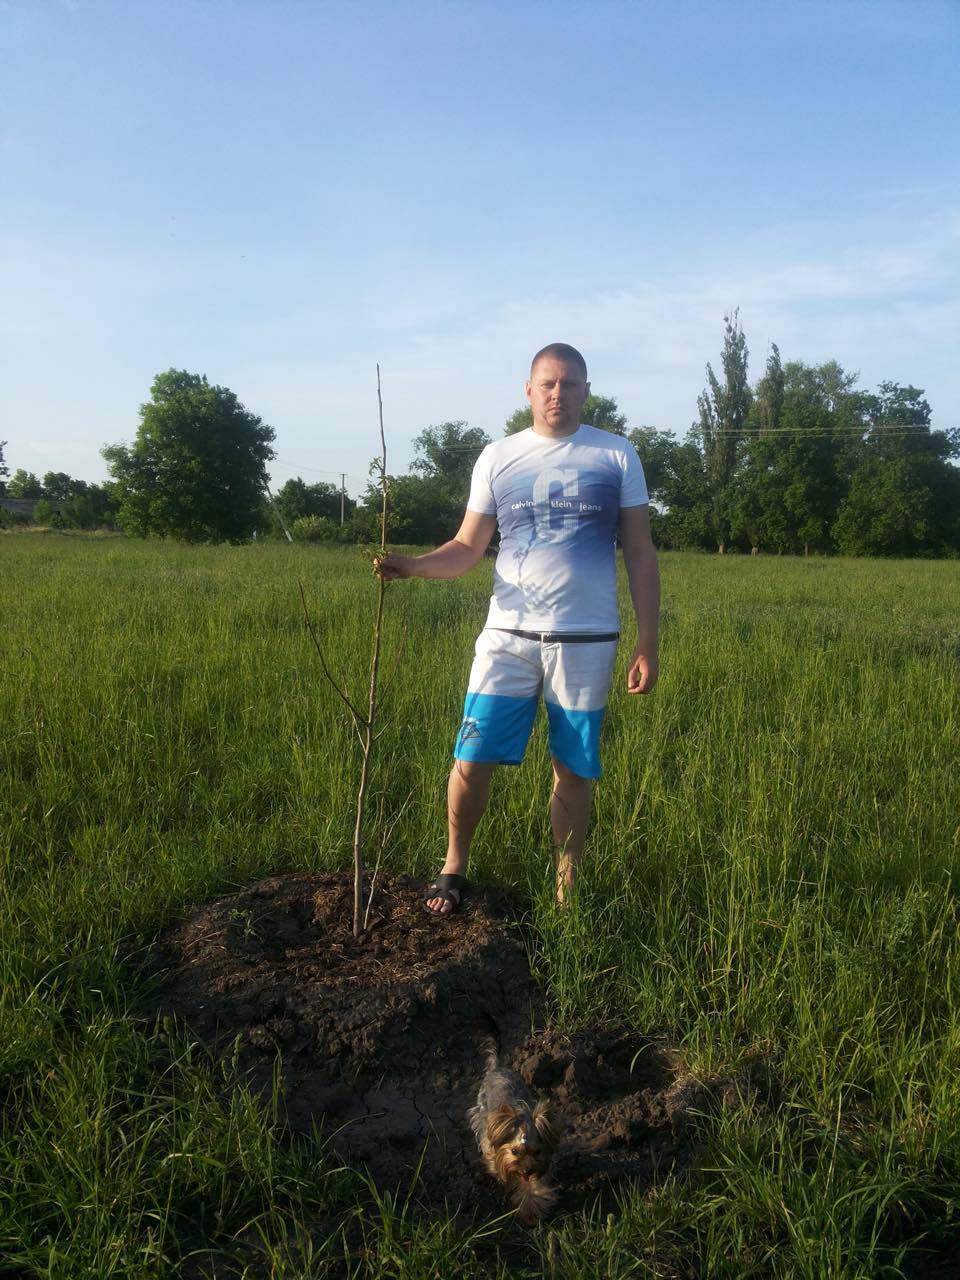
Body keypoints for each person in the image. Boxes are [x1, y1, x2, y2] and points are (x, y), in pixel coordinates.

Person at [378, 343, 659, 914]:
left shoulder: (616, 454)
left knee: (572, 769)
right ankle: (453, 867)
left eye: (570, 384)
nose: (558, 394)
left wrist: (648, 641)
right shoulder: (498, 456)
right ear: (528, 390)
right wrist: (412, 566)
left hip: (587, 640)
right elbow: (466, 547)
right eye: (548, 384)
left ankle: (565, 895)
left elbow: (639, 551)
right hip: (507, 637)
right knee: (471, 756)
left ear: (586, 391)